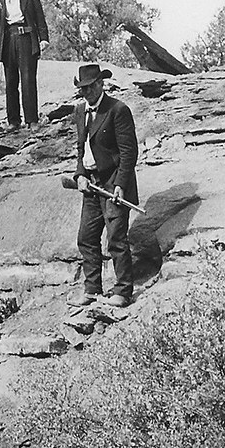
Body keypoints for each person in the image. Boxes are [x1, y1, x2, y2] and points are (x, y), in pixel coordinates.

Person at [68, 64, 139, 309]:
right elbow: (81, 149)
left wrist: (120, 184)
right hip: (91, 184)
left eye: (89, 87)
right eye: (82, 89)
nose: (85, 93)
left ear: (100, 84)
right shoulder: (80, 111)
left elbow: (129, 153)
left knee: (117, 237)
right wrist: (79, 175)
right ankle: (92, 289)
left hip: (113, 182)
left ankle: (123, 290)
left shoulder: (118, 110)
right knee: (86, 238)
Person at [0, 0, 49, 129]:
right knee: (11, 82)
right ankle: (13, 121)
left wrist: (43, 38)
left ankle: (32, 120)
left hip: (26, 38)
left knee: (28, 79)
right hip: (8, 42)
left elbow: (39, 17)